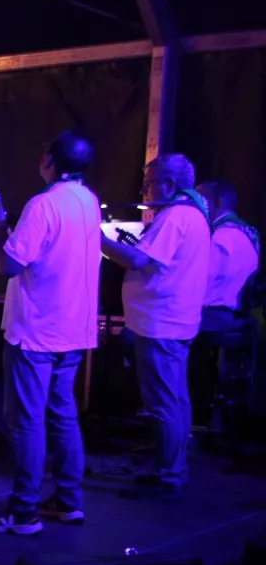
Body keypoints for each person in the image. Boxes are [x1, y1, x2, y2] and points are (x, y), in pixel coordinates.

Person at [0, 133, 100, 534]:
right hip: (73, 329)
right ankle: (67, 500)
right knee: (62, 415)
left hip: (37, 330)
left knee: (27, 420)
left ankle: (24, 510)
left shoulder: (44, 204)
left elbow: (9, 265)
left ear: (50, 160)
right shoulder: (88, 199)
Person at [101, 154, 211, 499]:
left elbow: (137, 259)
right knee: (175, 400)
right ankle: (172, 469)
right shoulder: (195, 215)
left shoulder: (175, 215)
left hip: (160, 324)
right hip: (173, 322)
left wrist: (95, 236)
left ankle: (168, 475)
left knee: (163, 403)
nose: (144, 190)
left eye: (148, 183)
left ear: (170, 184)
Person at [199, 180, 259, 332]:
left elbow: (202, 279)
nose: (196, 208)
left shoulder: (221, 236)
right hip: (233, 313)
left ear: (217, 202)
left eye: (200, 201)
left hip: (215, 314)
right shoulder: (246, 231)